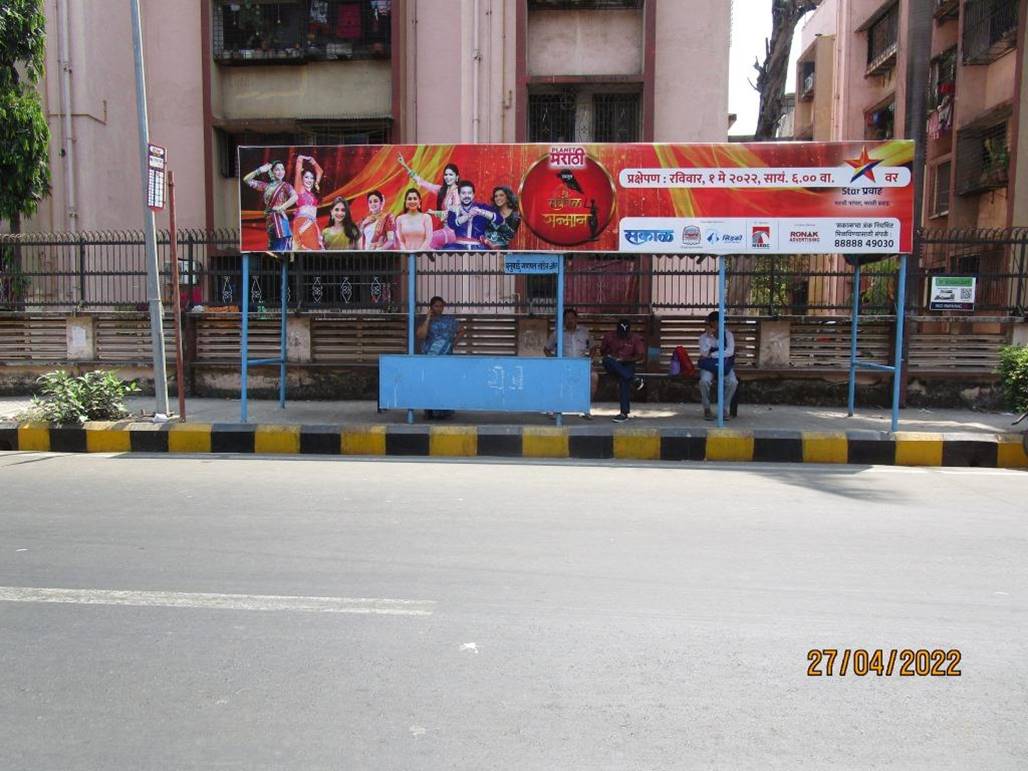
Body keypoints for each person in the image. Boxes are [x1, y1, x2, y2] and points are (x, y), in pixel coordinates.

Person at [416, 295, 465, 419]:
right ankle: (429, 410)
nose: (439, 309)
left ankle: (444, 410)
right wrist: (428, 318)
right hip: (430, 357)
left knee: (445, 382)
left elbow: (461, 331)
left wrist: (453, 344)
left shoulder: (449, 320)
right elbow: (421, 336)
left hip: (445, 357)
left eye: (441, 306)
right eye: (436, 306)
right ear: (431, 307)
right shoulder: (426, 321)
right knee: (430, 383)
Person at [544, 308, 598, 418]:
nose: (570, 320)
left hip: (581, 365)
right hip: (563, 365)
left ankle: (585, 408)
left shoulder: (584, 332)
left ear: (576, 319)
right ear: (563, 320)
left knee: (594, 377)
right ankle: (554, 408)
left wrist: (589, 360)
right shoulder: (557, 333)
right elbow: (546, 349)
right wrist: (554, 361)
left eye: (572, 318)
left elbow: (593, 347)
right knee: (552, 377)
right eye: (567, 318)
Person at [398, 156, 460, 249]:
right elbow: (423, 182)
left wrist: (434, 213)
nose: (447, 177)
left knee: (428, 241)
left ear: (457, 177)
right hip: (445, 229)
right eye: (446, 175)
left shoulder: (457, 193)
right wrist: (405, 165)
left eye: (451, 175)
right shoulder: (442, 190)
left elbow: (454, 214)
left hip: (453, 231)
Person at [243, 159, 297, 251]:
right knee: (272, 247)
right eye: (277, 169)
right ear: (271, 172)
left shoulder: (286, 186)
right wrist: (259, 170)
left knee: (281, 247)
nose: (281, 172)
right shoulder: (266, 186)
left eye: (282, 169)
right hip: (270, 221)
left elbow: (295, 197)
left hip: (280, 220)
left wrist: (282, 207)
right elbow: (246, 180)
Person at [600, 318, 646, 423]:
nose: (622, 336)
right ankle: (634, 379)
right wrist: (612, 355)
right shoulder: (609, 336)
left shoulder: (635, 338)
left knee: (624, 378)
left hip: (627, 364)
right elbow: (602, 352)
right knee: (607, 360)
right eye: (620, 334)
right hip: (613, 364)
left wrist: (625, 359)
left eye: (625, 334)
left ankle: (624, 413)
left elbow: (640, 356)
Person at [697, 311, 737, 421]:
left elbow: (730, 351)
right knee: (704, 381)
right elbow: (704, 353)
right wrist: (710, 338)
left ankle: (723, 409)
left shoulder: (728, 335)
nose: (721, 325)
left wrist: (713, 354)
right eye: (718, 322)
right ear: (712, 323)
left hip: (725, 365)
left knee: (733, 382)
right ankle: (707, 409)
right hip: (709, 366)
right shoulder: (703, 337)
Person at [444, 180, 500, 250]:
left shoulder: (482, 207)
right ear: (459, 195)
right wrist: (468, 215)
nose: (466, 196)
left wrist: (481, 212)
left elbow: (499, 220)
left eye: (469, 193)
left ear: (473, 194)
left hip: (478, 248)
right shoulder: (454, 209)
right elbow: (452, 225)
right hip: (458, 247)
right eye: (463, 193)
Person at [291, 154, 324, 250]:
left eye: (312, 178)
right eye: (306, 177)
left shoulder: (314, 192)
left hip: (313, 225)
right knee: (304, 249)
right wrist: (300, 159)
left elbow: (320, 172)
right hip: (302, 224)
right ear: (302, 178)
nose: (309, 180)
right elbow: (298, 172)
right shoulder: (300, 189)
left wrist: (313, 161)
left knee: (315, 249)